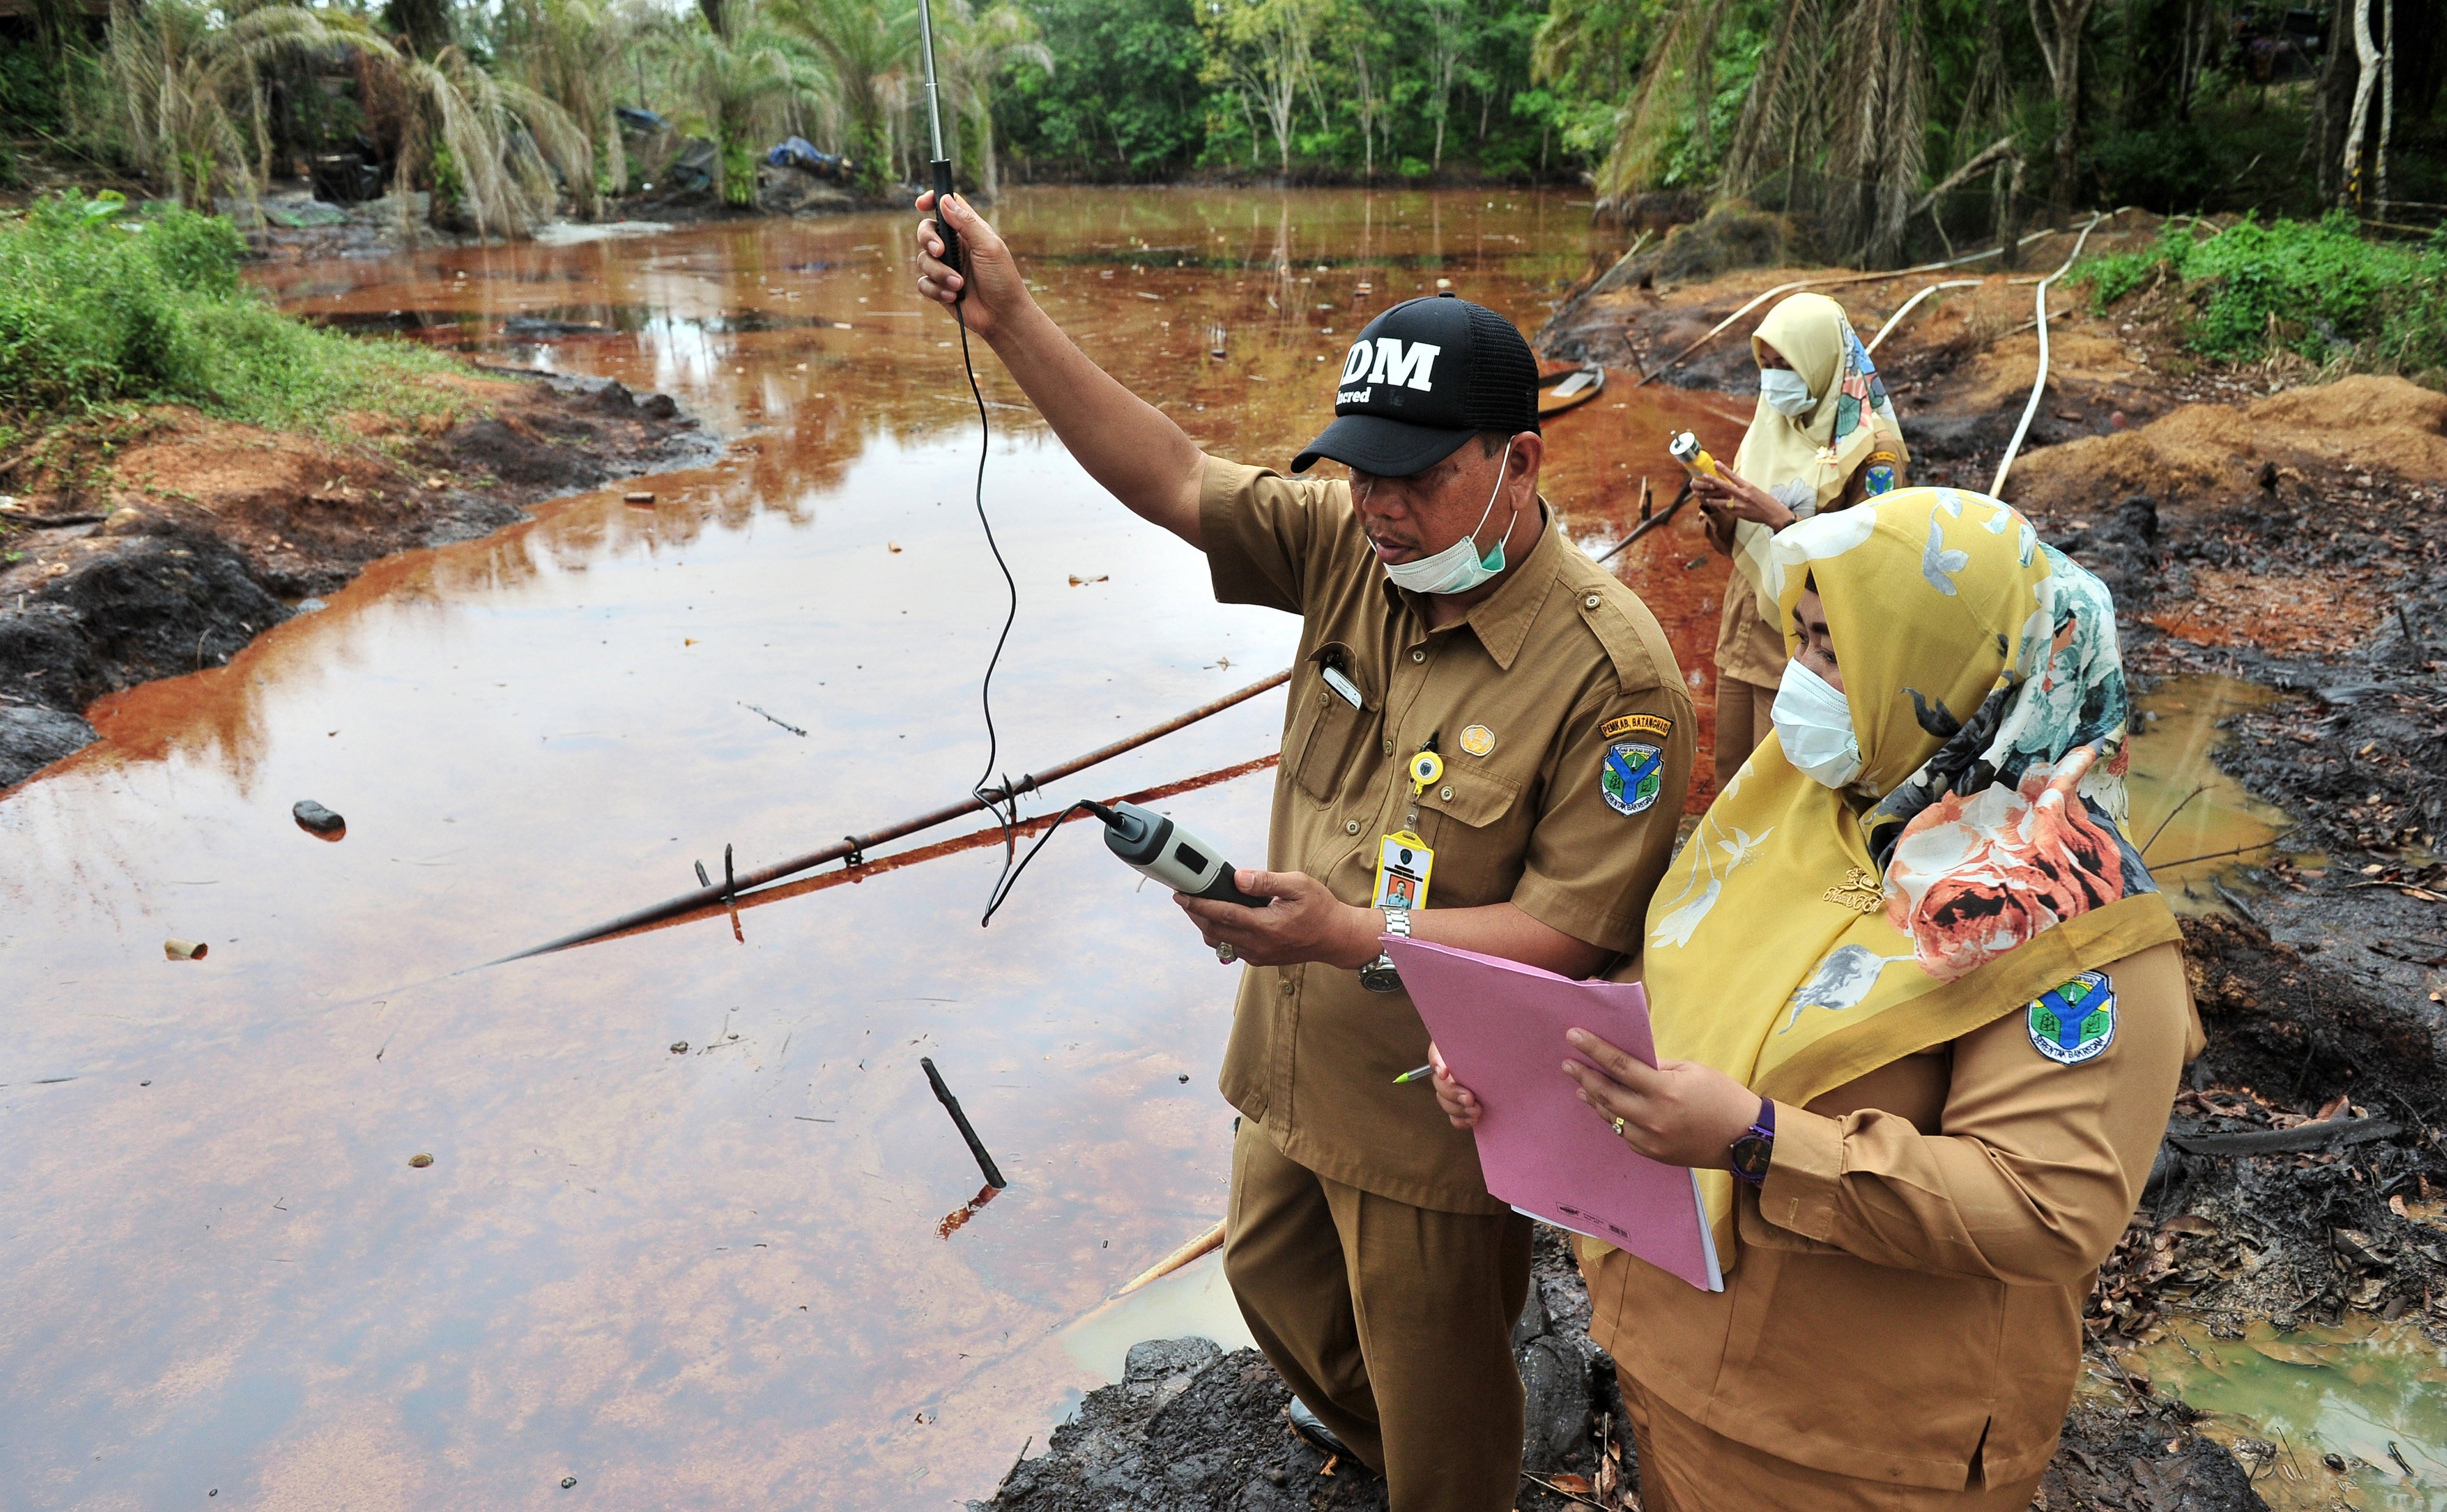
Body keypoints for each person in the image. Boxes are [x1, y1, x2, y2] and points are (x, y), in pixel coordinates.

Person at [913, 193, 1695, 1511]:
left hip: (1436, 1106)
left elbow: (1565, 939)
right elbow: (1168, 475)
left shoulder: (1614, 675)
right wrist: (1008, 317)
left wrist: (1351, 932)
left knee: (1439, 1393)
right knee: (1271, 1284)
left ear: (1518, 461)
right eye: (1360, 471)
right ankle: (1376, 1446)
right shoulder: (1349, 549)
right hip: (1290, 1046)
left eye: (1418, 476)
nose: (1379, 506)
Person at [1432, 487, 2199, 1508]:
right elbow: (1706, 971)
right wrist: (1529, 1053)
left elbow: (2046, 1206)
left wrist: (1757, 1139)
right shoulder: (1815, 806)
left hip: (1859, 1441)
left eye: (1835, 651)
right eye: (1796, 638)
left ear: (1941, 665)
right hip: (1675, 1351)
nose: (1800, 682)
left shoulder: (2074, 920)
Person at [1695, 292, 1909, 795]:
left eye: (1785, 365)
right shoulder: (1770, 425)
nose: (1773, 380)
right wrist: (1719, 511)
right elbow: (1737, 544)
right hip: (1743, 633)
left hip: (1807, 649)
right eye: (1765, 364)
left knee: (1784, 791)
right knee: (1733, 783)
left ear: (1821, 360)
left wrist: (1784, 521)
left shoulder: (1873, 451)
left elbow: (1875, 564)